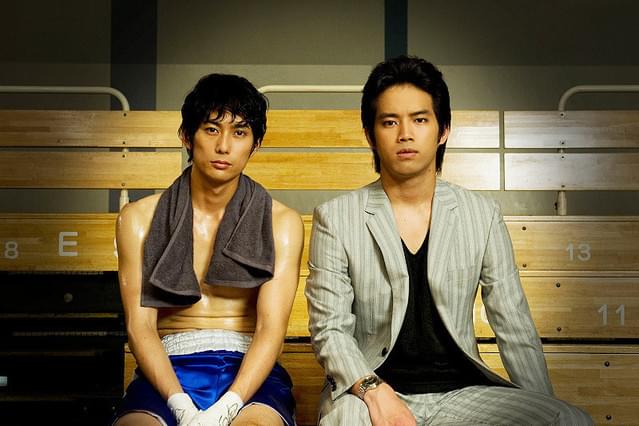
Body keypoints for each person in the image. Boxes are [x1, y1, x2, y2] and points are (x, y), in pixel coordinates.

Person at [305, 56, 592, 425]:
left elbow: (513, 323)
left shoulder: (481, 214)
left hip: (462, 393)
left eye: (419, 120)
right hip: (369, 389)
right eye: (389, 122)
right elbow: (330, 329)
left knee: (566, 420)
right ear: (370, 135)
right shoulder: (336, 217)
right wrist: (374, 391)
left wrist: (542, 406)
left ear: (443, 130)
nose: (404, 134)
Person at [113, 74, 303, 426]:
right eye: (212, 129)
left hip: (249, 375)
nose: (224, 146)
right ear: (187, 136)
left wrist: (227, 407)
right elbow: (140, 328)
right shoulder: (138, 219)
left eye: (240, 132)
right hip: (167, 370)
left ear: (255, 145)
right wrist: (181, 407)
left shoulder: (282, 223)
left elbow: (270, 330)